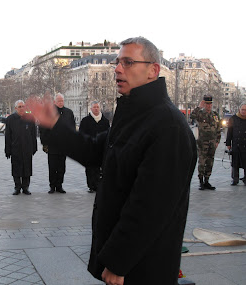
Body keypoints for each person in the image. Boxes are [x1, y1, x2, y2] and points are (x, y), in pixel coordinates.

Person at [25, 37, 197, 285]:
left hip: (143, 266)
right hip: (128, 262)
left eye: (128, 62)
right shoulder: (134, 116)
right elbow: (94, 151)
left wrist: (119, 260)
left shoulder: (167, 125)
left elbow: (151, 207)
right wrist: (54, 127)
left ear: (153, 70)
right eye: (117, 62)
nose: (117, 68)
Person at [40, 93, 75, 194]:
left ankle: (59, 185)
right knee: (52, 167)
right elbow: (43, 129)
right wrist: (44, 143)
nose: (61, 102)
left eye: (62, 101)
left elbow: (72, 128)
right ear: (54, 102)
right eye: (59, 101)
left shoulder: (69, 112)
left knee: (61, 167)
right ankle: (52, 186)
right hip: (52, 145)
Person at [5, 100, 37, 195]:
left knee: (27, 169)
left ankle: (25, 187)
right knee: (16, 169)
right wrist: (7, 150)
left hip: (27, 148)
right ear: (15, 108)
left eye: (23, 106)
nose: (22, 108)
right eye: (19, 107)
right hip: (16, 148)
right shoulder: (10, 119)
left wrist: (34, 147)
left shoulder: (30, 118)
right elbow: (8, 136)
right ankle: (17, 187)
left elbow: (33, 134)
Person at [191, 95, 221, 190]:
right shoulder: (200, 113)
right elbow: (192, 116)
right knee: (202, 162)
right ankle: (201, 181)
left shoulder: (215, 115)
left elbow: (218, 128)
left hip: (212, 142)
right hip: (202, 142)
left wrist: (217, 141)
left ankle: (207, 180)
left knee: (210, 161)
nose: (208, 106)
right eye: (207, 104)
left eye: (210, 104)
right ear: (204, 104)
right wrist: (199, 107)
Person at [79, 101, 110, 193]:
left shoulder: (105, 121)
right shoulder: (85, 121)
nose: (96, 109)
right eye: (94, 107)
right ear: (91, 108)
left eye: (97, 107)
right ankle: (91, 185)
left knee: (101, 167)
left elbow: (108, 134)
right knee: (90, 168)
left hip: (101, 148)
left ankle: (99, 184)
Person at [226, 103, 246, 186]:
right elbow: (229, 132)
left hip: (245, 145)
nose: (244, 111)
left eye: (245, 110)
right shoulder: (233, 118)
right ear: (239, 110)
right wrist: (228, 143)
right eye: (242, 110)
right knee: (235, 163)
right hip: (236, 144)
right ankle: (235, 179)